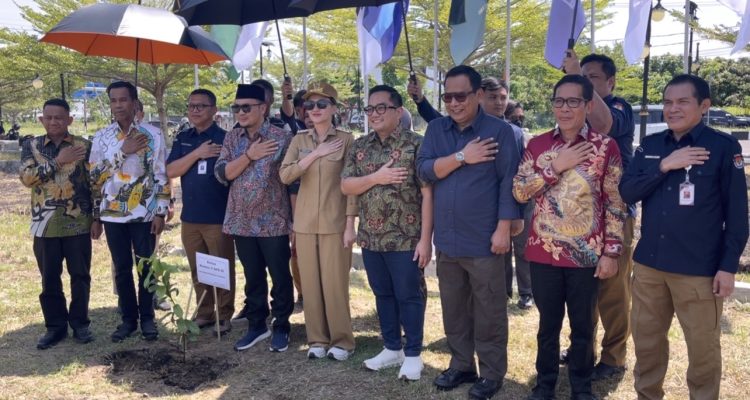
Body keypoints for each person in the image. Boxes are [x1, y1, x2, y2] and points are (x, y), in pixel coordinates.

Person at [620, 74, 749, 400]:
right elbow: (627, 192)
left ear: (704, 106)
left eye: (682, 102)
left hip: (698, 270)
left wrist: (728, 267)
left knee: (703, 350)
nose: (672, 109)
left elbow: (737, 215)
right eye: (667, 102)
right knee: (646, 343)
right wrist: (664, 166)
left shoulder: (723, 148)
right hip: (650, 266)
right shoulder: (651, 146)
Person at [513, 75, 626, 400]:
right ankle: (544, 385)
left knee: (583, 327)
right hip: (544, 252)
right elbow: (520, 191)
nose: (564, 108)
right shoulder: (537, 145)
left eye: (573, 101)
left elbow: (615, 203)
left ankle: (581, 387)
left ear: (588, 106)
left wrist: (611, 252)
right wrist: (555, 167)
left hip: (585, 254)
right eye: (559, 101)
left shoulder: (605, 147)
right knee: (547, 326)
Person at [416, 65, 521, 399]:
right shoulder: (436, 129)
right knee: (454, 309)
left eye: (460, 96)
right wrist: (462, 157)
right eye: (447, 97)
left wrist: (504, 228)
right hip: (448, 240)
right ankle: (462, 364)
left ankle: (491, 373)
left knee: (489, 310)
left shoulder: (500, 131)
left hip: (485, 240)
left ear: (477, 95)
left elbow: (509, 181)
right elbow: (424, 170)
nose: (453, 103)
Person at [341, 85, 433, 380]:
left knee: (409, 295)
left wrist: (426, 240)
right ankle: (392, 347)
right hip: (371, 237)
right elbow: (347, 186)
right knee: (382, 293)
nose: (374, 114)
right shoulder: (360, 145)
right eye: (370, 109)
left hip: (406, 237)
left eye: (381, 107)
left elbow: (428, 194)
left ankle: (413, 353)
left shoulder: (416, 144)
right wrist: (377, 177)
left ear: (398, 111)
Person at [562, 52, 636, 380]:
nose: (584, 83)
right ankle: (582, 348)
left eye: (591, 77)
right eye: (582, 76)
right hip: (579, 217)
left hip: (614, 217)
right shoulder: (574, 117)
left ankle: (614, 357)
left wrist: (576, 75)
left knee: (613, 292)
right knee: (580, 290)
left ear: (610, 82)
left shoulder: (619, 108)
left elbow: (604, 125)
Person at [280, 82, 358, 361]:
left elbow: (351, 185)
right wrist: (315, 154)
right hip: (304, 223)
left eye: (322, 104)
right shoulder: (299, 140)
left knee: (335, 284)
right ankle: (317, 339)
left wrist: (350, 224)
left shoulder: (347, 140)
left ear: (334, 108)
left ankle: (342, 341)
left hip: (334, 222)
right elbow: (285, 175)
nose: (314, 109)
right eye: (309, 105)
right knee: (310, 285)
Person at [89, 81, 170, 343]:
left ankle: (147, 318)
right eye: (113, 100)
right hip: (112, 214)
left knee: (146, 266)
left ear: (134, 103)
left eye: (123, 100)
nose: (118, 105)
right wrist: (122, 152)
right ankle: (128, 319)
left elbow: (161, 174)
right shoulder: (102, 137)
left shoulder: (153, 134)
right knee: (122, 268)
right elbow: (95, 177)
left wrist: (161, 211)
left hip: (145, 213)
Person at [215, 84, 294, 352]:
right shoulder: (232, 138)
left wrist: (294, 221)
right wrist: (249, 155)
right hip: (241, 221)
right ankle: (257, 324)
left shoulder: (281, 137)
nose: (240, 112)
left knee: (280, 276)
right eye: (236, 108)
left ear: (263, 108)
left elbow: (292, 179)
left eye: (246, 107)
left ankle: (281, 324)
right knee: (252, 276)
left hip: (274, 220)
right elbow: (222, 173)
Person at [20, 98, 95, 349]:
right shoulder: (31, 145)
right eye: (49, 117)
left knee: (80, 276)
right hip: (45, 225)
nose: (54, 122)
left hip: (78, 223)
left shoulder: (83, 146)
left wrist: (97, 218)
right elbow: (27, 179)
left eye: (59, 117)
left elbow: (94, 183)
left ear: (69, 120)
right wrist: (58, 161)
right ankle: (55, 326)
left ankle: (80, 324)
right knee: (49, 278)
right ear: (41, 119)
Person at [167, 89, 235, 336]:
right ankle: (204, 312)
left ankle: (224, 314)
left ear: (214, 110)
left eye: (201, 106)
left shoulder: (225, 138)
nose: (195, 110)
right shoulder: (183, 138)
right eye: (191, 106)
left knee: (221, 267)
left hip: (217, 216)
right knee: (199, 268)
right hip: (190, 218)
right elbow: (171, 170)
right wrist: (197, 154)